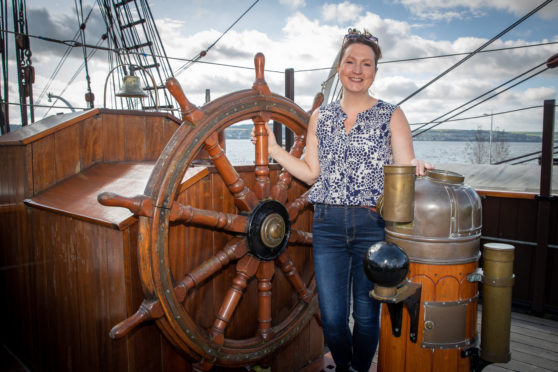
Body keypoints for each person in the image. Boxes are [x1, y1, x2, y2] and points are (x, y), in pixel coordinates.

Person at [252, 28, 433, 372]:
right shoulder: (321, 117)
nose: (357, 69)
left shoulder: (392, 114)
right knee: (333, 319)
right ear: (339, 67)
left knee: (366, 316)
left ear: (375, 72)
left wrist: (417, 165)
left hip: (372, 226)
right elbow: (309, 173)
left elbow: (405, 161)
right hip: (328, 224)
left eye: (366, 64)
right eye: (350, 61)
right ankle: (349, 365)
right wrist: (274, 150)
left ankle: (357, 369)